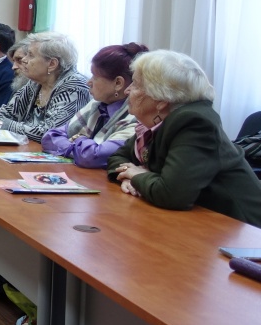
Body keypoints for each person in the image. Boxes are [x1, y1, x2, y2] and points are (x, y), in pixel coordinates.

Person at [107, 50, 261, 225]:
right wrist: (129, 176)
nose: (127, 90)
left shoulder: (194, 123)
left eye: (135, 84)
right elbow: (117, 157)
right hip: (198, 220)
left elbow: (171, 194)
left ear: (161, 100)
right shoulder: (157, 121)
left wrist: (136, 175)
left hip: (241, 228)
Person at [0, 31, 90, 142]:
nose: (24, 60)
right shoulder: (35, 82)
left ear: (52, 64)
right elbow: (9, 112)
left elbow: (50, 133)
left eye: (30, 55)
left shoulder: (74, 86)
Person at [42, 43, 148, 168]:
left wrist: (78, 139)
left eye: (95, 77)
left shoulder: (137, 116)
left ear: (118, 83)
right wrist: (79, 149)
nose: (89, 82)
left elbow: (93, 157)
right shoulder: (96, 105)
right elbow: (50, 137)